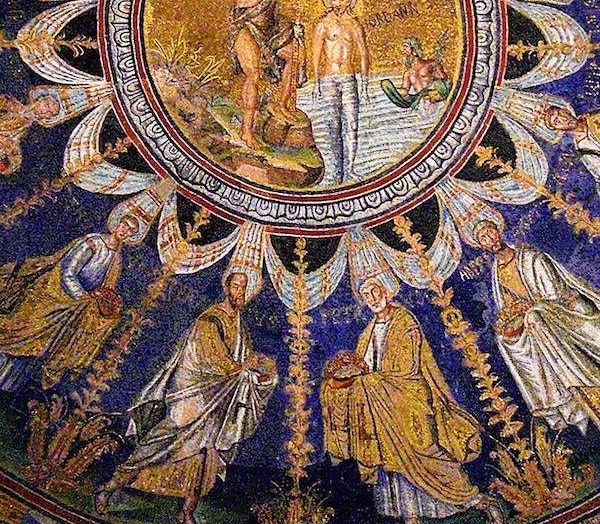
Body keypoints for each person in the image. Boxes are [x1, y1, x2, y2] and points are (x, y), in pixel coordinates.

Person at [95, 271, 278, 524]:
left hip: (217, 398)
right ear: (226, 287)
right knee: (161, 440)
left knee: (203, 455)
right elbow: (212, 359)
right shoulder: (210, 320)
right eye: (236, 286)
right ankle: (110, 486)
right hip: (193, 393)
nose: (240, 293)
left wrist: (261, 370)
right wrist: (244, 367)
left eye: (244, 288)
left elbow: (243, 359)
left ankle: (187, 511)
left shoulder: (239, 326)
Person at [321, 274, 503, 523]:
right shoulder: (368, 332)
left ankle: (478, 501)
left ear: (387, 291)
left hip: (410, 401)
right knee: (393, 466)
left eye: (375, 291)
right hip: (382, 410)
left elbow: (405, 370)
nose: (372, 298)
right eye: (366, 295)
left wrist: (365, 381)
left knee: (427, 454)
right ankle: (411, 518)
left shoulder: (405, 322)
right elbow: (363, 368)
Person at [474, 220, 600, 433]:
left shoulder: (531, 258)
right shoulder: (497, 274)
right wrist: (509, 320)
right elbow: (510, 308)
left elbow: (556, 295)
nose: (490, 239)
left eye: (490, 232)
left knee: (534, 318)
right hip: (539, 326)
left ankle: (580, 377)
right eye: (483, 238)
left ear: (499, 230)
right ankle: (558, 397)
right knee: (504, 338)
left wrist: (530, 306)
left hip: (566, 311)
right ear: (480, 245)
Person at [0, 215, 139, 391]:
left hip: (79, 305)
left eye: (130, 230)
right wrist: (81, 296)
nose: (125, 231)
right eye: (124, 225)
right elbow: (66, 271)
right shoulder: (92, 244)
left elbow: (106, 288)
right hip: (56, 294)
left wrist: (102, 301)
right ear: (117, 223)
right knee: (26, 331)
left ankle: (12, 385)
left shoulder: (116, 258)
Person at [230, 0, 336, 149]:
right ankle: (246, 132)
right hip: (247, 24)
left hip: (270, 26)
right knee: (254, 75)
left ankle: (281, 104)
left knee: (297, 55)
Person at [312, 0, 369, 184]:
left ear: (349, 1)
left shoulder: (354, 24)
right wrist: (317, 83)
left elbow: (363, 54)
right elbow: (316, 55)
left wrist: (364, 85)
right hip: (328, 79)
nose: (337, 3)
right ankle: (335, 172)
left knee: (352, 124)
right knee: (332, 126)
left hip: (348, 79)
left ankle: (350, 170)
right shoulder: (323, 24)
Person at [381, 36, 451, 110]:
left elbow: (444, 83)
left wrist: (435, 94)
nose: (403, 50)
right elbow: (405, 90)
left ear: (413, 48)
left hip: (437, 102)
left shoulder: (431, 64)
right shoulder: (408, 73)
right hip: (422, 104)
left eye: (405, 46)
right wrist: (392, 89)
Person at [0, 92, 60, 175]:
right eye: (47, 106)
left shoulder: (31, 133)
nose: (46, 113)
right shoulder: (11, 105)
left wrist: (4, 167)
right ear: (40, 100)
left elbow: (12, 164)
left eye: (50, 114)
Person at [544, 105, 600, 190]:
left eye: (561, 113)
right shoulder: (584, 148)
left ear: (566, 110)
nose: (564, 119)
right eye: (557, 122)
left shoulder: (593, 116)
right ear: (559, 131)